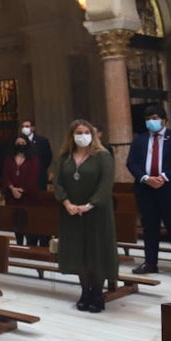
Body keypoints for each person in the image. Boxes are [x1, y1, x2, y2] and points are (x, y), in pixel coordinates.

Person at [53, 120, 117, 313]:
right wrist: (67, 203)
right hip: (71, 212)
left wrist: (89, 205)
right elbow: (57, 183)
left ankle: (97, 293)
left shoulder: (102, 156)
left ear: (93, 134)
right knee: (78, 251)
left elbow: (106, 184)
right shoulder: (64, 158)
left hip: (96, 211)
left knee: (96, 251)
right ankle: (85, 292)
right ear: (72, 136)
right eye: (78, 132)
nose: (83, 136)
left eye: (86, 132)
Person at [126, 105, 171, 280]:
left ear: (164, 120)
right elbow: (131, 163)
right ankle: (150, 262)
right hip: (146, 189)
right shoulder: (140, 140)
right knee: (149, 227)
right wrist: (145, 178)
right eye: (148, 119)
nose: (151, 122)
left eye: (155, 118)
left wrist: (164, 177)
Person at [1, 136, 43, 245]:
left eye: (23, 142)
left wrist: (22, 190)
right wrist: (12, 188)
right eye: (18, 143)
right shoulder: (9, 159)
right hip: (12, 197)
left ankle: (30, 245)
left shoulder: (33, 159)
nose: (20, 145)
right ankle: (19, 243)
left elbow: (33, 176)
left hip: (28, 197)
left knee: (29, 223)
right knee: (16, 223)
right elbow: (5, 175)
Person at [21, 119, 54, 190]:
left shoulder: (42, 140)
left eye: (27, 126)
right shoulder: (19, 141)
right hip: (25, 176)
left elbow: (48, 157)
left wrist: (41, 168)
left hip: (40, 175)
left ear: (33, 128)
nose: (24, 128)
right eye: (23, 126)